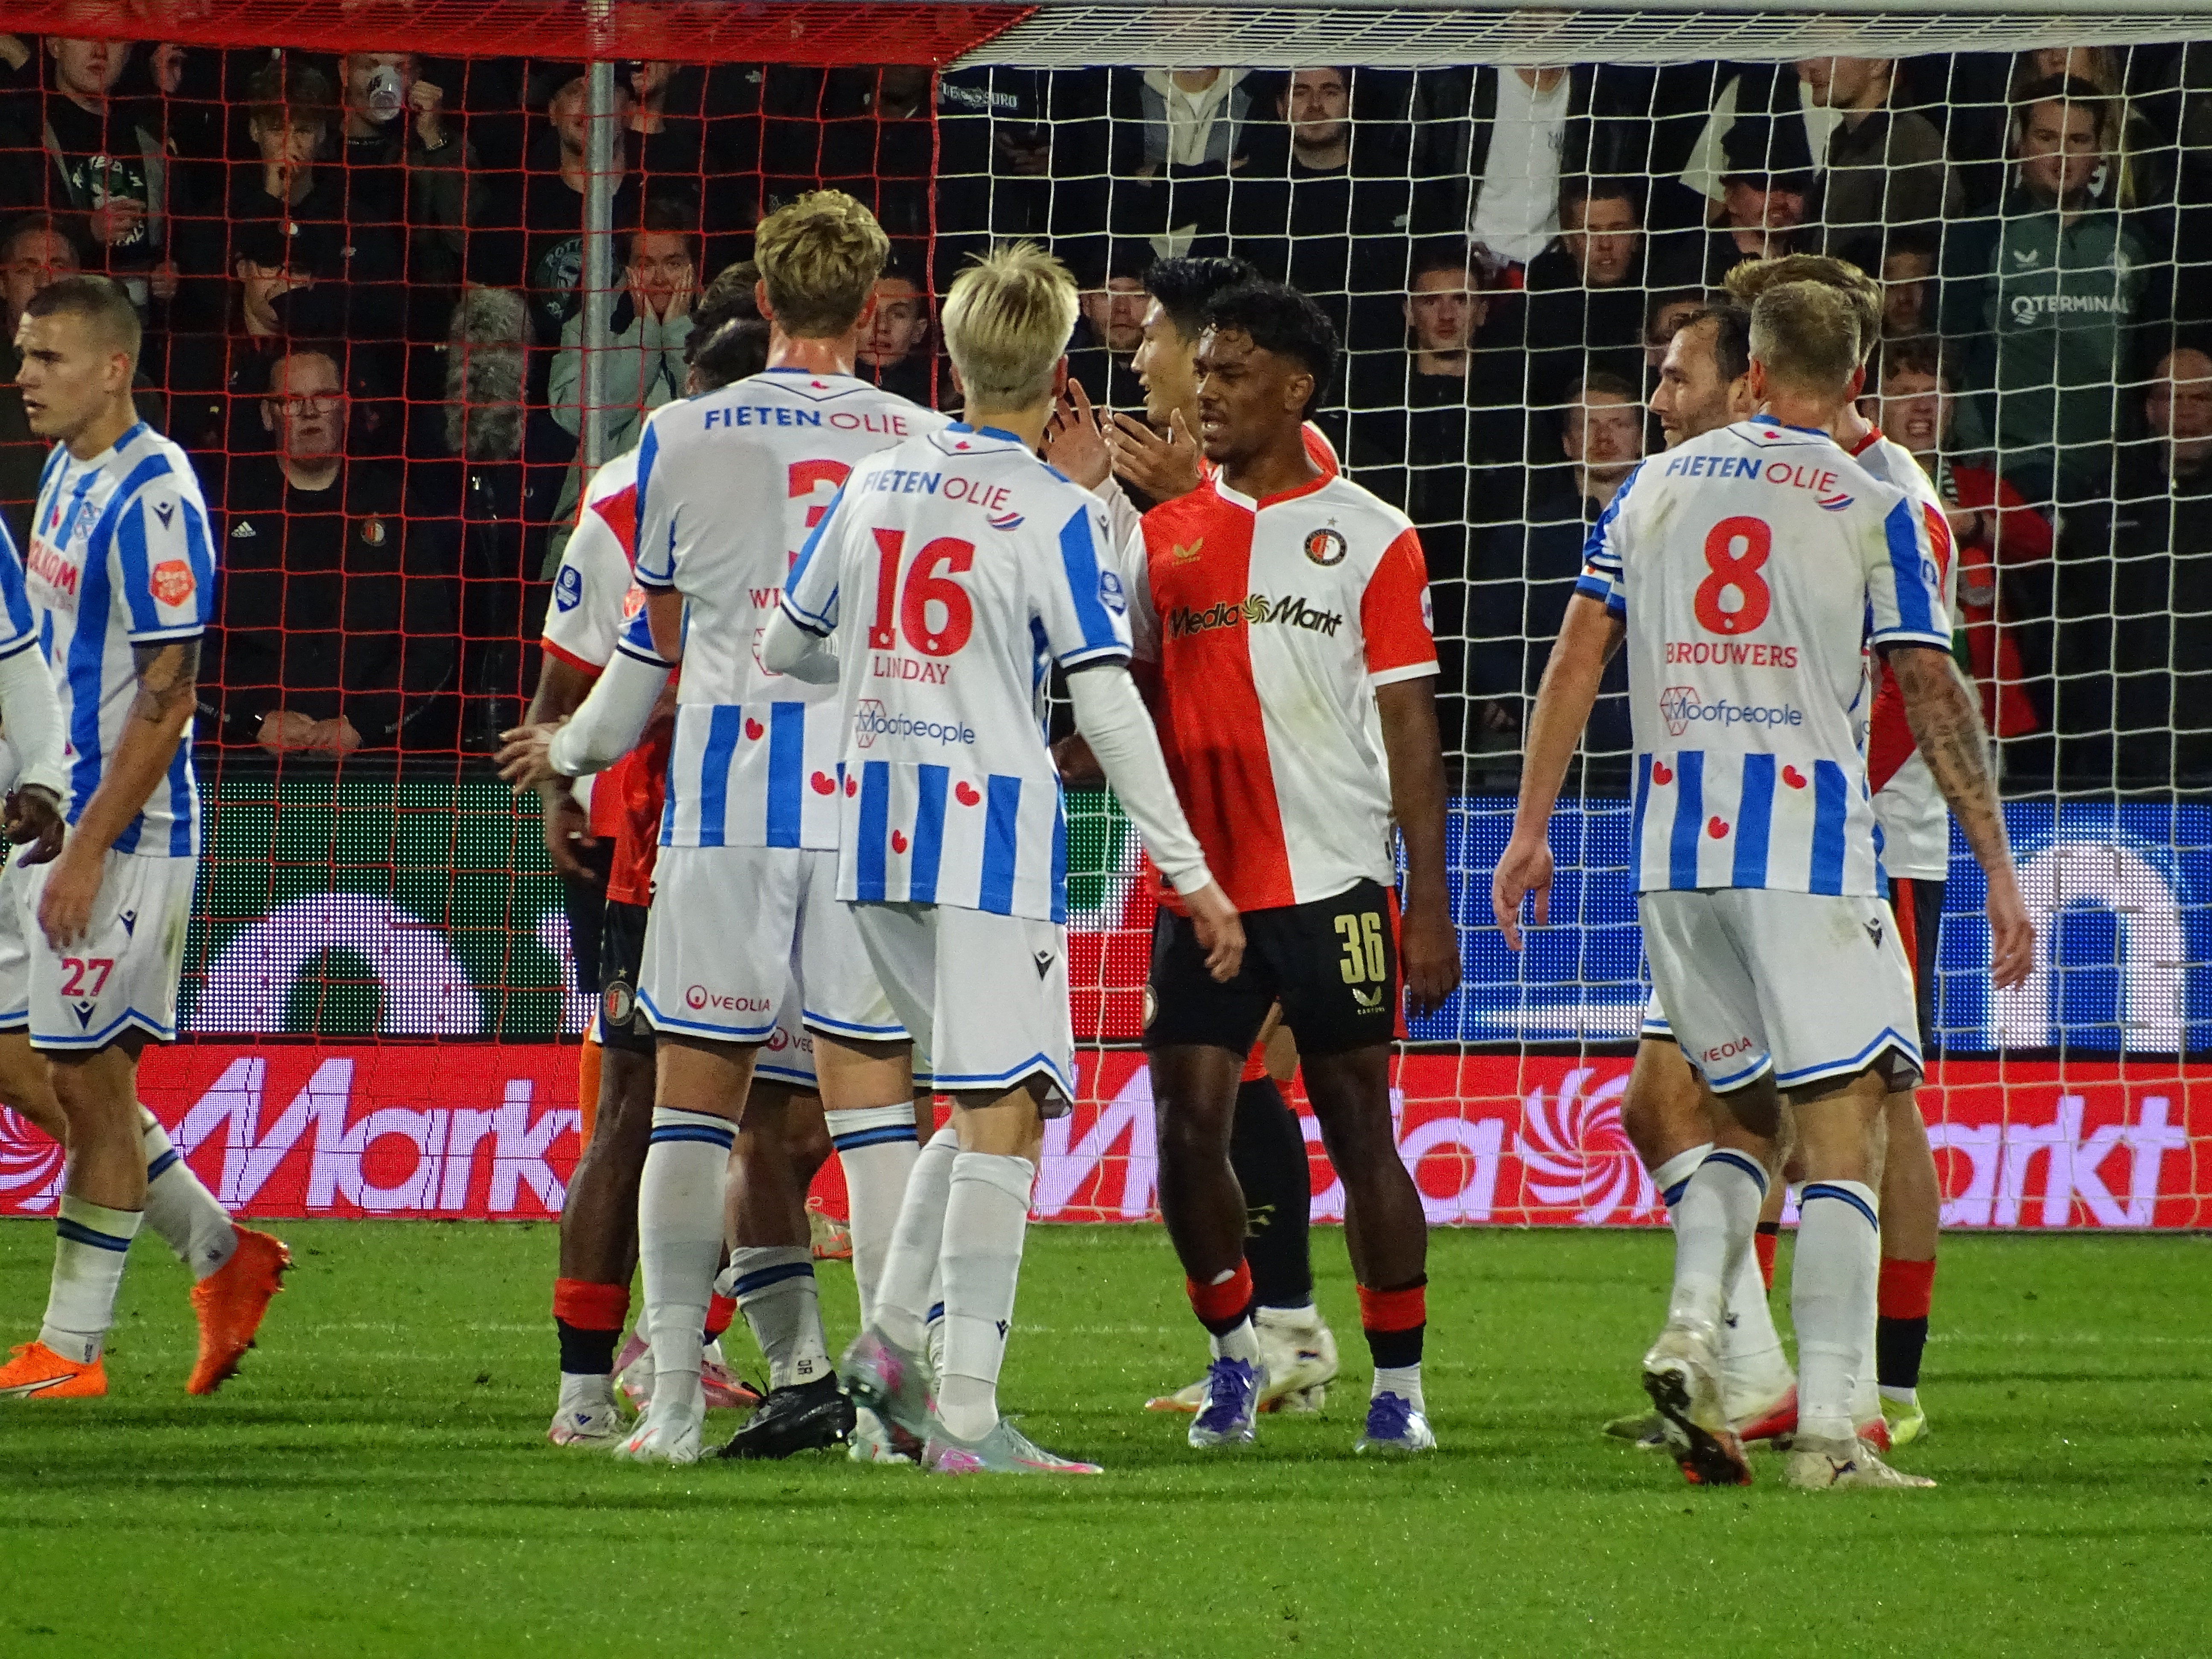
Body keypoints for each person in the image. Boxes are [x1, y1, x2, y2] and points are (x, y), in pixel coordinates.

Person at [1494, 278, 2034, 1491]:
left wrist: (1529, 830)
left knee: (1731, 1113)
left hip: (1673, 859)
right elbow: (1932, 693)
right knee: (1841, 1130)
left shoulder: (1652, 485)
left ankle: (1702, 1328)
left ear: (1748, 374)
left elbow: (1576, 653)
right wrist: (1996, 863)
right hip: (1808, 851)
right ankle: (1838, 1436)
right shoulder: (1872, 501)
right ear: (1854, 383)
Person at [769, 242, 1240, 1476]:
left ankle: (880, 1353)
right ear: (1059, 368)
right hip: (984, 843)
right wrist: (1187, 870)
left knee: (993, 1098)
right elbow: (1112, 706)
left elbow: (785, 648)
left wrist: (884, 684)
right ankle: (966, 1418)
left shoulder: (873, 480)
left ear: (954, 358)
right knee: (1004, 1116)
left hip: (869, 834)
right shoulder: (1052, 511)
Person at [586, 192, 947, 1467]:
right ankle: (901, 1414)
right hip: (870, 813)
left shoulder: (680, 432)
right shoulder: (921, 439)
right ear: (870, 309)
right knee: (873, 1116)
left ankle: (676, 1404)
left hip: (729, 807)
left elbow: (662, 641)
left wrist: (578, 751)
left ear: (763, 299)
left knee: (692, 1110)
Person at [500, 289, 842, 1449]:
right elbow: (574, 671)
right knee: (652, 1107)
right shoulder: (628, 488)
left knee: (783, 1123)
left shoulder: (722, 463)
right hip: (659, 839)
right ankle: (600, 1381)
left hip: (776, 827)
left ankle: (766, 1363)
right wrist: (566, 783)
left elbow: (568, 689)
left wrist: (561, 769)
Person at [1127, 280, 1458, 1454]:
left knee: (1361, 1129)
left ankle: (1401, 1388)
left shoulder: (1373, 535)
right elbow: (1128, 693)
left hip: (1333, 882)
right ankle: (1236, 1356)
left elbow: (1413, 730)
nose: (1203, 395)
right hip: (1205, 891)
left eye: (1228, 375)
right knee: (1185, 1123)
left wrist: (1427, 901)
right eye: (1201, 372)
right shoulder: (1156, 533)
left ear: (1294, 389)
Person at [1041, 253, 1347, 1415]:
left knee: (1258, 1079)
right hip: (1205, 825)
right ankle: (1286, 1338)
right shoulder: (1154, 471)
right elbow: (1155, 627)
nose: (1138, 357)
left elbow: (1265, 628)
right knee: (1232, 1085)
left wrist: (1157, 498)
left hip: (1293, 827)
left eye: (1156, 336)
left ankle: (1299, 1342)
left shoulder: (1288, 464)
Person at [0, 275, 288, 1401]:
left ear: (113, 368)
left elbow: (168, 699)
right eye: (24, 356)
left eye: (48, 359)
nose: (25, 377)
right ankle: (224, 1252)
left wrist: (86, 852)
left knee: (92, 1083)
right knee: (28, 1069)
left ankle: (71, 1352)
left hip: (125, 834)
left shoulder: (158, 497)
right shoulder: (65, 472)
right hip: (50, 820)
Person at [201, 346, 454, 755]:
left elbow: (431, 645)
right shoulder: (223, 510)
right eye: (292, 401)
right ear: (268, 415)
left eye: (323, 397)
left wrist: (363, 725)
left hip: (374, 767)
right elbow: (187, 646)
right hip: (245, 769)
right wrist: (256, 719)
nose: (309, 412)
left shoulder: (394, 505)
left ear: (346, 408)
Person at [1939, 77, 2157, 508]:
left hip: (2112, 475)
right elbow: (1947, 356)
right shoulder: (1979, 236)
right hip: (2010, 473)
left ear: (2099, 150)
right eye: (2046, 137)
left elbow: (2147, 358)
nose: (2061, 155)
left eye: (2078, 140)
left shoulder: (2133, 240)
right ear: (2020, 143)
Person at [1872, 335, 2052, 745]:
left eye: (1936, 393)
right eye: (1904, 394)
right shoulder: (1848, 488)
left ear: (1952, 407)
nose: (1923, 406)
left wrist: (1973, 525)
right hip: (1879, 700)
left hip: (1975, 700)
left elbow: (2041, 545)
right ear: (1869, 409)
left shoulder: (1979, 489)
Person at [1473, 372, 1639, 766]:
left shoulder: (1670, 530)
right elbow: (1487, 635)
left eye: (1619, 424)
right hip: (1545, 738)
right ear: (1567, 442)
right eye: (1590, 424)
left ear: (1640, 437)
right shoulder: (1525, 536)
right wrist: (1519, 698)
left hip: (1641, 737)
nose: (1604, 437)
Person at [2113, 345, 2212, 783]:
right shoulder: (2108, 498)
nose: (2187, 412)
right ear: (2151, 410)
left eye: (2202, 398)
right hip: (2125, 742)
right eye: (2174, 397)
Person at [1793, 57, 1960, 254]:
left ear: (1878, 63)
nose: (1811, 66)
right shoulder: (1844, 143)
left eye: (1831, 50)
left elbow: (1908, 271)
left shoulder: (1909, 145)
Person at [1522, 177, 1650, 404]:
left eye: (1618, 230)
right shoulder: (1538, 306)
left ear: (1637, 237)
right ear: (1568, 242)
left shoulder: (1659, 295)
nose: (1605, 245)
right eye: (1591, 233)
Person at [854, 257, 934, 405]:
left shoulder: (937, 400)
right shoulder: (822, 382)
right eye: (869, 312)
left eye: (898, 314)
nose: (882, 327)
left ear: (919, 331)